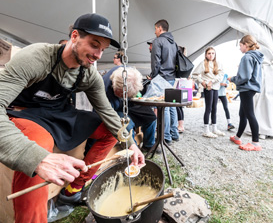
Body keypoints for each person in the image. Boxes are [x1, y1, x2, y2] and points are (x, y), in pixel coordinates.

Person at [0, 13, 144, 222]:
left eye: (102, 49)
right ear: (74, 36)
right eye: (94, 45)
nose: (97, 55)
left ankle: (74, 188)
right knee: (37, 151)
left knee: (110, 129)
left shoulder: (87, 74)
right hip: (26, 113)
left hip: (58, 113)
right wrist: (34, 157)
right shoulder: (37, 57)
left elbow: (107, 111)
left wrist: (130, 143)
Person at [103, 65, 160, 154]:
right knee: (127, 127)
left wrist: (133, 96)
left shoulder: (132, 75)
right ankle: (132, 151)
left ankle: (148, 145)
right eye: (122, 94)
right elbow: (108, 115)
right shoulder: (105, 88)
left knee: (151, 117)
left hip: (131, 103)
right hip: (117, 107)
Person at [228, 35, 264, 151]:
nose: (240, 48)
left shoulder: (247, 57)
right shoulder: (256, 57)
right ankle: (237, 137)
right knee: (242, 114)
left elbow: (245, 76)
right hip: (251, 88)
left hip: (246, 89)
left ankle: (255, 143)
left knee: (249, 115)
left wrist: (233, 79)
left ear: (246, 45)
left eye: (240, 45)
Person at [149, 19, 180, 144]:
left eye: (155, 28)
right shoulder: (174, 43)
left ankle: (165, 137)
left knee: (164, 108)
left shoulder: (158, 41)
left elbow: (156, 61)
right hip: (172, 77)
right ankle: (174, 133)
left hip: (162, 77)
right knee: (172, 106)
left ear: (160, 28)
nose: (155, 31)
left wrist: (153, 76)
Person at [192, 46, 225, 138]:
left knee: (215, 108)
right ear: (206, 55)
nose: (211, 55)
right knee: (209, 108)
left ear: (215, 54)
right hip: (208, 88)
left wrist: (213, 81)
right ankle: (206, 130)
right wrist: (203, 82)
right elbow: (194, 74)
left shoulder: (218, 63)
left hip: (215, 87)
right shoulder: (202, 63)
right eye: (209, 53)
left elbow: (221, 74)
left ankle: (214, 128)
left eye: (213, 53)